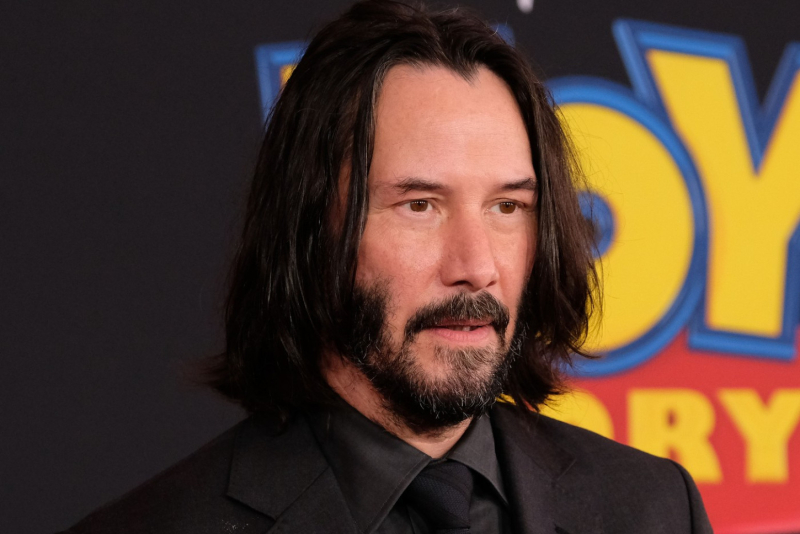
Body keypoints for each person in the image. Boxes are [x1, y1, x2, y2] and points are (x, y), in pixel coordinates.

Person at [60, 1, 713, 533]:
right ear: (310, 230)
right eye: (420, 205)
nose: (477, 266)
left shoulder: (654, 510)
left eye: (507, 207)